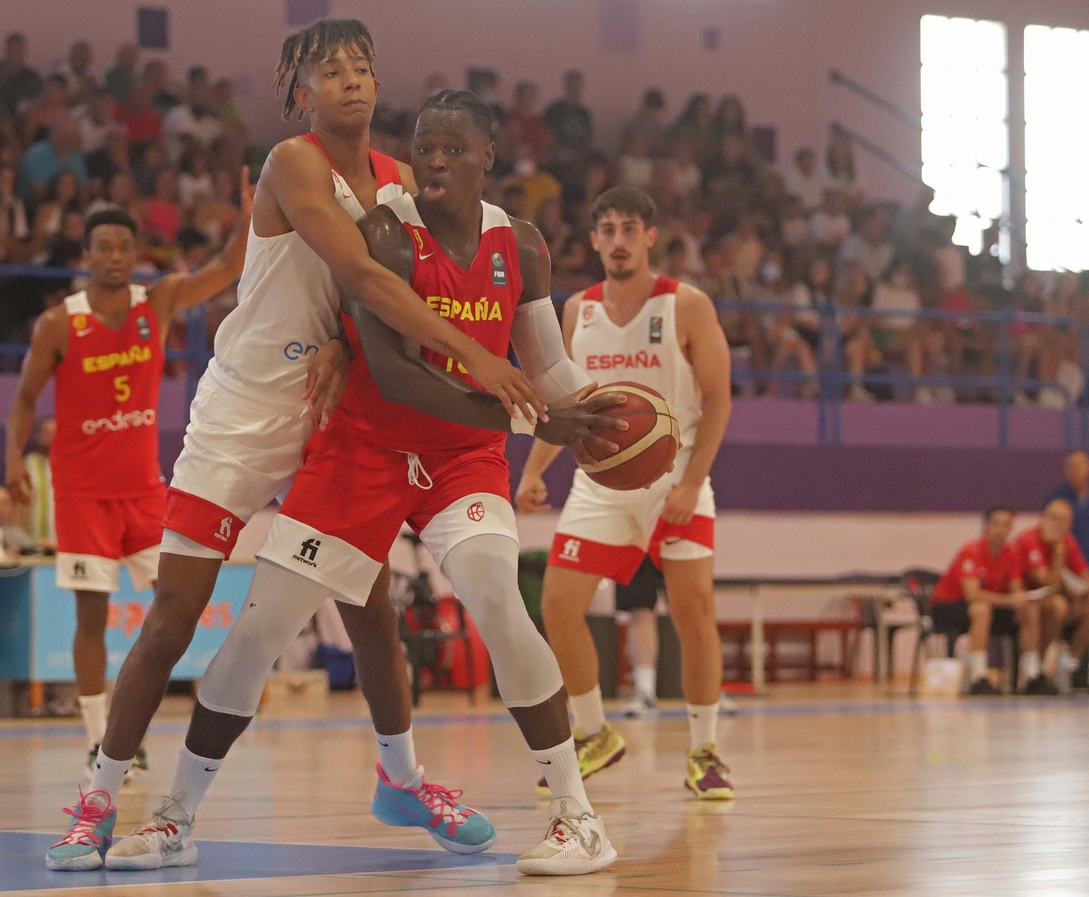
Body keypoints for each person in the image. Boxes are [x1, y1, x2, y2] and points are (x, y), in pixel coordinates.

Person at [39, 19, 544, 874]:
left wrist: (351, 350)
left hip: (334, 418)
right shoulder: (293, 162)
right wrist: (480, 359)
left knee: (372, 611)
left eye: (363, 67)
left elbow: (387, 298)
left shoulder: (399, 182)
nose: (352, 80)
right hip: (244, 412)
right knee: (174, 615)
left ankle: (403, 778)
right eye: (330, 70)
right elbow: (366, 279)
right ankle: (97, 798)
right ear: (296, 91)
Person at [116, 89, 623, 877]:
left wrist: (587, 418)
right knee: (258, 632)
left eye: (456, 146)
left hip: (462, 460)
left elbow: (548, 365)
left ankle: (576, 817)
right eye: (425, 147)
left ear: (491, 156)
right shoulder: (383, 234)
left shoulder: (520, 246)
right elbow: (392, 375)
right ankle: (175, 815)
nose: (438, 159)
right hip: (365, 451)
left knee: (495, 593)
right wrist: (527, 421)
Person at [5, 200, 251, 779]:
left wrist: (246, 213)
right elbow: (23, 398)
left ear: (135, 253)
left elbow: (227, 268)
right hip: (82, 491)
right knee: (91, 617)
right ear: (87, 254)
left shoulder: (157, 300)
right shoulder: (58, 322)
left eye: (124, 246)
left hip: (143, 490)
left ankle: (130, 721)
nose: (115, 256)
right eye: (103, 247)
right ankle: (100, 740)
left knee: (173, 606)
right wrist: (12, 456)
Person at [518, 185, 734, 800]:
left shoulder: (686, 306)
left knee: (694, 615)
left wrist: (692, 483)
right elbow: (566, 406)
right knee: (559, 605)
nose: (617, 240)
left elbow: (718, 399)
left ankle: (705, 751)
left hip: (677, 481)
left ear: (649, 237)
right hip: (601, 484)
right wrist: (535, 470)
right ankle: (594, 734)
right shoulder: (576, 311)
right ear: (593, 240)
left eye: (628, 228)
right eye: (606, 229)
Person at [930, 506, 1039, 695]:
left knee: (1028, 610)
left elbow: (1016, 589)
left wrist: (1022, 599)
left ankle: (1032, 675)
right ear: (986, 526)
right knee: (980, 609)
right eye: (996, 524)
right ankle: (978, 676)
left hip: (991, 607)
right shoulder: (971, 550)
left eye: (1006, 525)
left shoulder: (1011, 553)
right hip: (949, 608)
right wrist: (1010, 600)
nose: (1001, 529)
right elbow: (973, 594)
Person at [1012, 499, 1089, 691]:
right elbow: (1048, 585)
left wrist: (1077, 589)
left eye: (1063, 520)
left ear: (1070, 524)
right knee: (1057, 605)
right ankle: (1037, 669)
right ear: (1043, 518)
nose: (1057, 523)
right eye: (1052, 517)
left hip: (1062, 600)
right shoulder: (1028, 540)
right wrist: (1058, 552)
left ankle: (1069, 662)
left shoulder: (1069, 541)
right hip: (1031, 604)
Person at [1044, 450, 1089, 572]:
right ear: (1066, 470)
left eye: (1080, 465)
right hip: (1066, 561)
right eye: (1072, 466)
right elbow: (1049, 528)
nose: (1077, 470)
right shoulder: (1057, 497)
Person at [617, 557, 665, 716]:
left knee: (693, 609)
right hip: (634, 539)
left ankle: (708, 691)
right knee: (639, 608)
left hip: (679, 535)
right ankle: (645, 692)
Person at [20, 418, 56, 547]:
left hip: (65, 542)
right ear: (38, 436)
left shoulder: (73, 465)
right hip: (33, 543)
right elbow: (19, 504)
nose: (50, 437)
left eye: (54, 432)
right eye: (46, 433)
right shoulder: (27, 464)